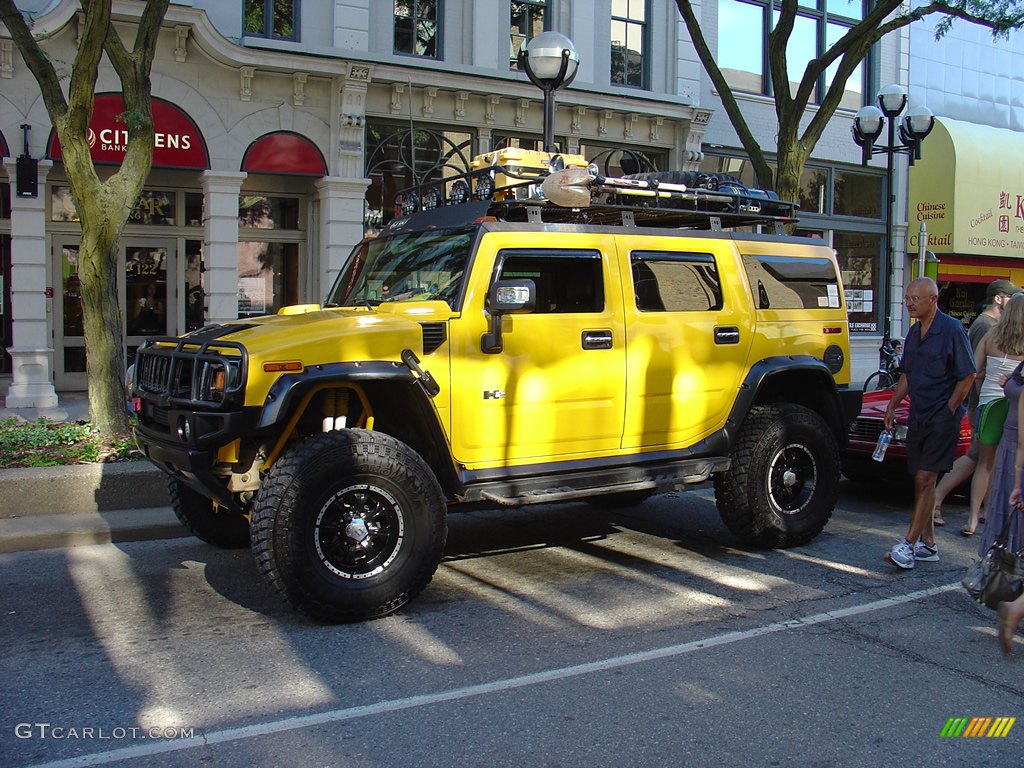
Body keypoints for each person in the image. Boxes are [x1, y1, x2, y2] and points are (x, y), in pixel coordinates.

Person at [883, 277, 976, 569]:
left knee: (925, 479)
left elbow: (968, 375)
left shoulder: (951, 329)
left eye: (915, 299)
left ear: (933, 300)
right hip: (918, 415)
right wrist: (893, 404)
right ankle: (929, 544)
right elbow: (907, 374)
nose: (909, 303)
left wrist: (949, 411)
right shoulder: (913, 333)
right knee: (922, 480)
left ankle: (908, 545)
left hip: (941, 417)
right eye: (907, 298)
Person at [932, 278, 1021, 526]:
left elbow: (976, 367)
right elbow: (973, 369)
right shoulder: (986, 327)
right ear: (999, 298)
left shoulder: (992, 328)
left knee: (985, 459)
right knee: (979, 457)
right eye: (1010, 296)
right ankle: (937, 498)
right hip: (989, 402)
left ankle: (983, 512)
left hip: (987, 401)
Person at [960, 293, 1024, 535]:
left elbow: (973, 370)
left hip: (990, 402)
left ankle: (973, 519)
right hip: (1016, 405)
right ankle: (1001, 516)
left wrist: (986, 376)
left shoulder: (991, 335)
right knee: (1011, 462)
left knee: (984, 464)